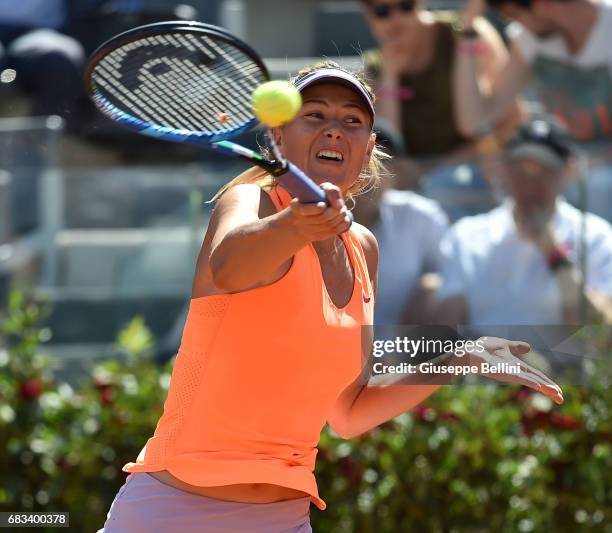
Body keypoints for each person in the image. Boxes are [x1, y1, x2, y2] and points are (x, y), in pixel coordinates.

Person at [98, 62, 563, 533]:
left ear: (369, 148)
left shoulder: (362, 249)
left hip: (285, 519)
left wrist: (461, 357)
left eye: (351, 121)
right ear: (279, 137)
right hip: (171, 514)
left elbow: (349, 410)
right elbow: (228, 267)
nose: (334, 131)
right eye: (314, 115)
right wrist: (297, 223)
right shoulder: (249, 204)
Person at [436, 116, 612, 330]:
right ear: (506, 170)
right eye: (521, 170)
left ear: (567, 172)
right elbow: (445, 329)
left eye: (544, 172)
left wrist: (555, 255)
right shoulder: (467, 235)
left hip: (558, 364)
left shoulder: (594, 237)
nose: (530, 184)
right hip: (482, 361)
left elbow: (599, 331)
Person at [455, 0, 612, 220]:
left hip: (595, 169)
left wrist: (576, 168)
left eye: (512, 14)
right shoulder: (531, 38)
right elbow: (474, 121)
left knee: (596, 186)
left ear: (544, 4)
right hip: (552, 159)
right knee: (456, 185)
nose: (514, 24)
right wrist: (469, 29)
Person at [359, 0, 520, 203]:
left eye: (406, 6)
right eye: (382, 12)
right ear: (368, 17)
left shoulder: (466, 33)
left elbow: (511, 122)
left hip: (476, 173)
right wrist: (391, 73)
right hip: (414, 187)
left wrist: (437, 169)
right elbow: (388, 150)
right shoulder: (376, 68)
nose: (397, 18)